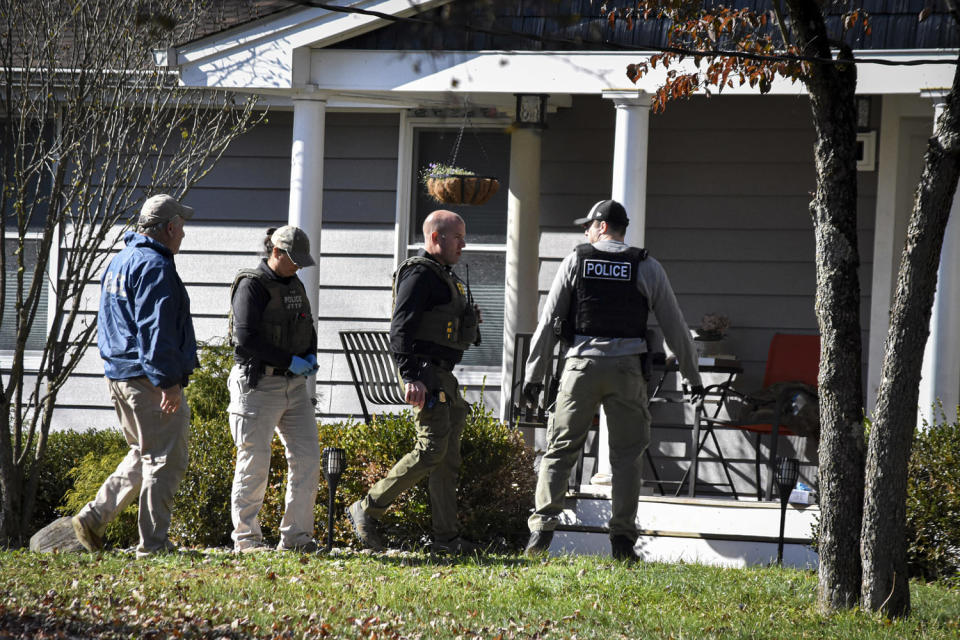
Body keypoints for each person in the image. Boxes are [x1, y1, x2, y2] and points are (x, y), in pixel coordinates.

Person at [521, 199, 703, 561]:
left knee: (561, 449)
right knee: (627, 457)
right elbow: (675, 326)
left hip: (581, 367)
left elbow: (548, 321)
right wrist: (693, 377)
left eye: (588, 225)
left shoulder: (577, 259)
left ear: (602, 226)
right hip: (626, 371)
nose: (586, 232)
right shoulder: (646, 265)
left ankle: (540, 534)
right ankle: (622, 542)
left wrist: (533, 376)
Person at [347, 210, 481, 554]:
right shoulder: (419, 275)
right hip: (425, 373)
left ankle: (446, 540)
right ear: (435, 238)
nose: (463, 245)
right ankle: (367, 508)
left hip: (444, 376)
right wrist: (410, 375)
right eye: (457, 238)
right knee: (430, 450)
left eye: (464, 237)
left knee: (446, 459)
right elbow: (400, 328)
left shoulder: (446, 277)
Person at [72, 193, 197, 557]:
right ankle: (153, 546)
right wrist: (168, 383)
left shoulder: (122, 260)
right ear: (170, 227)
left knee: (143, 454)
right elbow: (154, 331)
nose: (184, 235)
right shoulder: (155, 267)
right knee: (165, 459)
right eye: (182, 227)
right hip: (147, 379)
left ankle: (93, 518)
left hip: (120, 375)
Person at [227, 225, 322, 553]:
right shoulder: (252, 286)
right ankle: (247, 539)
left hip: (294, 385)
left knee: (308, 456)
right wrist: (288, 359)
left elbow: (306, 325)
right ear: (276, 252)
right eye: (293, 259)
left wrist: (309, 355)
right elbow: (247, 338)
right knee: (254, 460)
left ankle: (297, 538)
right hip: (259, 384)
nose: (298, 266)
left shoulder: (294, 283)